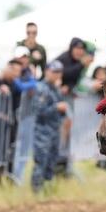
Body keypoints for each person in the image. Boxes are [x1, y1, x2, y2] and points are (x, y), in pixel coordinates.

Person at [31, 60, 69, 192]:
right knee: (41, 161)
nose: (57, 75)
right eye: (54, 72)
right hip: (43, 131)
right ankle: (37, 191)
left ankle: (46, 190)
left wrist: (61, 110)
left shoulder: (56, 89)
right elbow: (39, 111)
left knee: (52, 161)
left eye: (59, 72)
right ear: (47, 71)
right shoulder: (41, 88)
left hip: (54, 130)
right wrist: (56, 107)